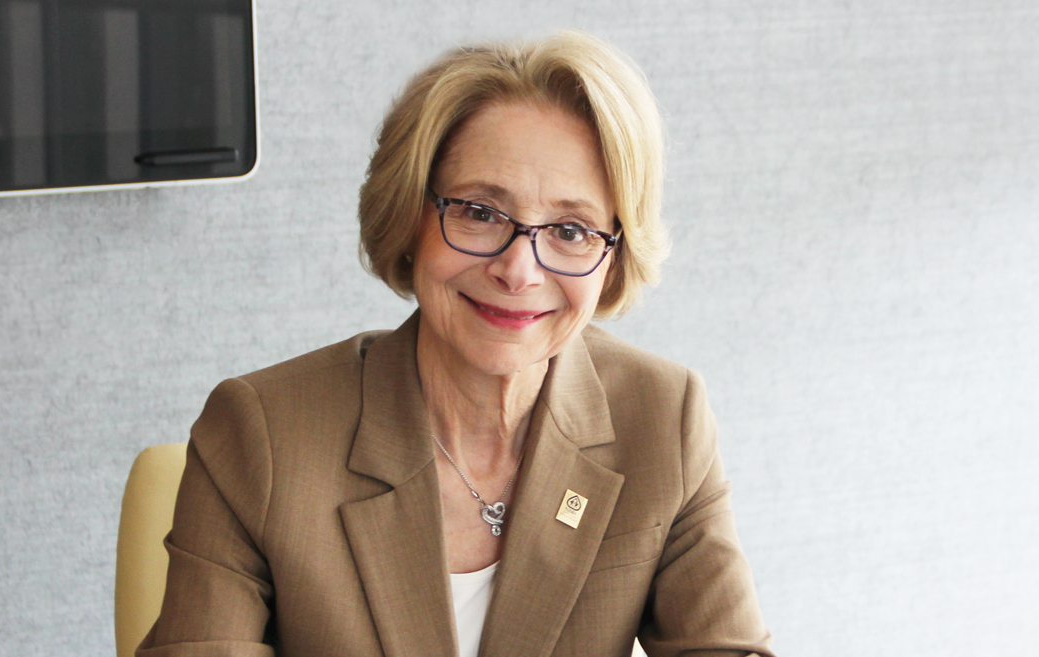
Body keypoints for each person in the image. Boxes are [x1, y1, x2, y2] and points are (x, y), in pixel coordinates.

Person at [139, 31, 774, 657]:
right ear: (409, 217)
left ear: (614, 255)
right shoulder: (262, 436)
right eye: (479, 212)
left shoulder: (665, 418)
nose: (519, 271)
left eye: (572, 229)